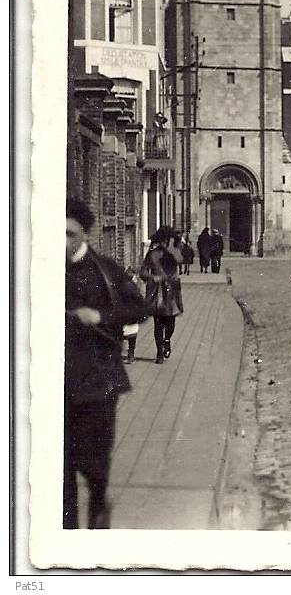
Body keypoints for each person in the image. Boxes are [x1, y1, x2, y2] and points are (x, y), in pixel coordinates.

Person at [65, 197, 148, 529]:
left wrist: (99, 315)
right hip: (58, 387)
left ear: (84, 234)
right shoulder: (38, 271)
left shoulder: (106, 271)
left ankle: (99, 511)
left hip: (99, 385)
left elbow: (140, 310)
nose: (62, 242)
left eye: (69, 234)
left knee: (95, 466)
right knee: (60, 472)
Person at [139, 227, 184, 363]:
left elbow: (180, 260)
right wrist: (153, 277)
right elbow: (143, 272)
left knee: (170, 322)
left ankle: (167, 340)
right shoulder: (152, 254)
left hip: (171, 291)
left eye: (168, 240)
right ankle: (159, 352)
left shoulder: (175, 252)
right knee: (158, 323)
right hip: (157, 292)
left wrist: (171, 248)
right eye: (163, 240)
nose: (165, 242)